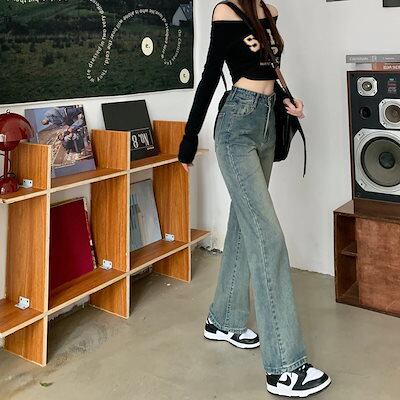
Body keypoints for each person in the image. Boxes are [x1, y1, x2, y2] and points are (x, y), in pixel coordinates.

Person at [177, 0, 332, 397]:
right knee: (268, 236)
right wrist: (189, 138)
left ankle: (223, 319)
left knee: (245, 225)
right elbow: (210, 75)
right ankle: (285, 368)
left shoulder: (269, 10)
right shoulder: (225, 11)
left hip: (267, 122)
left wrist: (288, 99)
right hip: (236, 128)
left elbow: (269, 69)